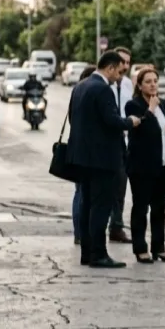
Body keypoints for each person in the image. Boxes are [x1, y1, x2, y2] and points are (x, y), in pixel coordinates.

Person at [67, 51, 141, 268]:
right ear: (109, 68)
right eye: (118, 71)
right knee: (100, 207)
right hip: (101, 159)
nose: (119, 76)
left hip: (82, 157)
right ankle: (98, 254)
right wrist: (130, 122)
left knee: (87, 204)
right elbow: (111, 121)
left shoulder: (81, 86)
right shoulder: (102, 89)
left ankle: (87, 253)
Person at [124, 67, 165, 264]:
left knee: (159, 209)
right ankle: (140, 248)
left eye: (155, 80)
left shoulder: (163, 104)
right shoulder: (133, 105)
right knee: (141, 208)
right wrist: (150, 110)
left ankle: (159, 248)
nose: (153, 84)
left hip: (162, 164)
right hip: (141, 166)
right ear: (139, 85)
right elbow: (140, 130)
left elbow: (163, 131)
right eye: (148, 81)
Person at [107, 47, 134, 243]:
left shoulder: (127, 84)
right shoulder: (104, 84)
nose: (125, 66)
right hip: (107, 142)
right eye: (122, 62)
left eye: (127, 62)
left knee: (121, 187)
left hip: (124, 142)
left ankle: (116, 227)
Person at [71, 65, 97, 245]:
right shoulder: (89, 94)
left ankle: (79, 233)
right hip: (87, 153)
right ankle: (83, 233)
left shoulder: (76, 92)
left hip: (76, 150)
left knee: (79, 192)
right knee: (84, 194)